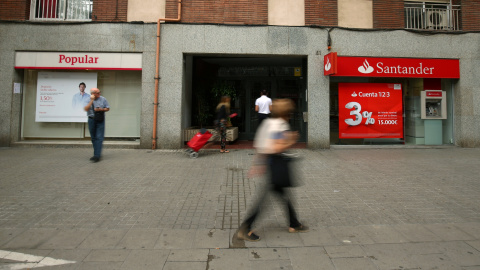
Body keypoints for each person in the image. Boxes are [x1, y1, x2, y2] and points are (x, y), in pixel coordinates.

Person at [237, 98, 308, 242]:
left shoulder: (267, 123)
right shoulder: (280, 125)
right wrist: (292, 139)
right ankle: (245, 227)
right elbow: (276, 147)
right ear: (286, 113)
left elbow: (260, 144)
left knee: (283, 194)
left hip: (270, 162)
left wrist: (257, 163)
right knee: (266, 198)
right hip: (277, 163)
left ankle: (294, 223)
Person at [84, 88, 110, 162]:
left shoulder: (103, 99)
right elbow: (86, 109)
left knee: (99, 137)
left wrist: (101, 109)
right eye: (97, 93)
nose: (99, 94)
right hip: (91, 119)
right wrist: (91, 101)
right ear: (93, 93)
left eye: (99, 92)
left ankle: (97, 155)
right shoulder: (87, 99)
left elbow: (108, 108)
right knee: (93, 138)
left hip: (100, 120)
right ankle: (96, 153)